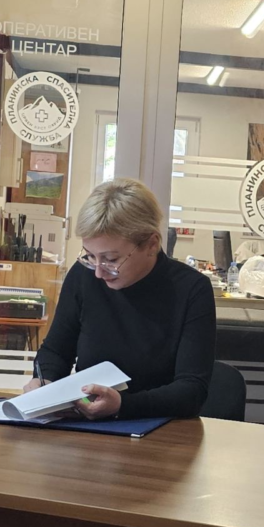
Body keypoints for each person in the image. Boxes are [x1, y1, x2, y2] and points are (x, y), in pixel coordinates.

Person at [24, 178, 216, 421]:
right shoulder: (83, 275)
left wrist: (123, 405)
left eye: (111, 259)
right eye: (90, 256)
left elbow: (192, 391)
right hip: (88, 425)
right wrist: (44, 382)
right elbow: (56, 351)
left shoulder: (191, 289)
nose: (98, 272)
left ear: (151, 244)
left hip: (161, 429)